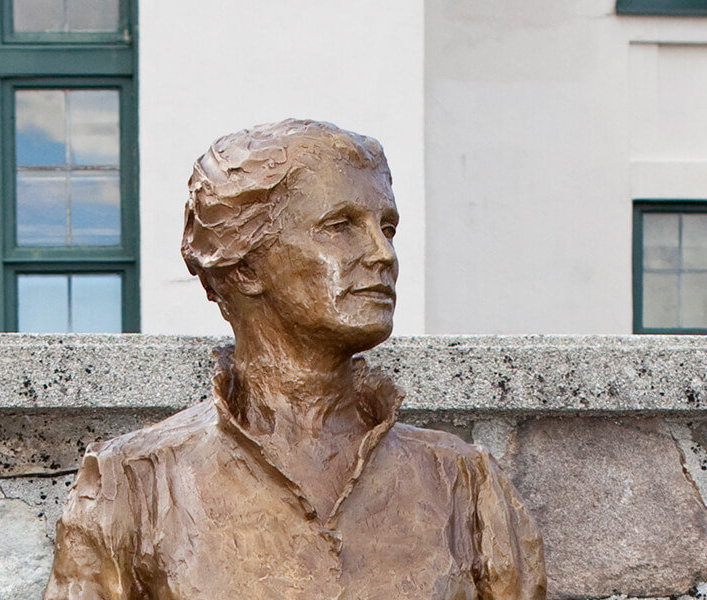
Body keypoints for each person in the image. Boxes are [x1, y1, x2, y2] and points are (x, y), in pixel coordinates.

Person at [44, 119, 546, 600]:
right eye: (340, 226)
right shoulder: (134, 483)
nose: (382, 254)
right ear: (245, 267)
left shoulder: (463, 483)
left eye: (387, 227)